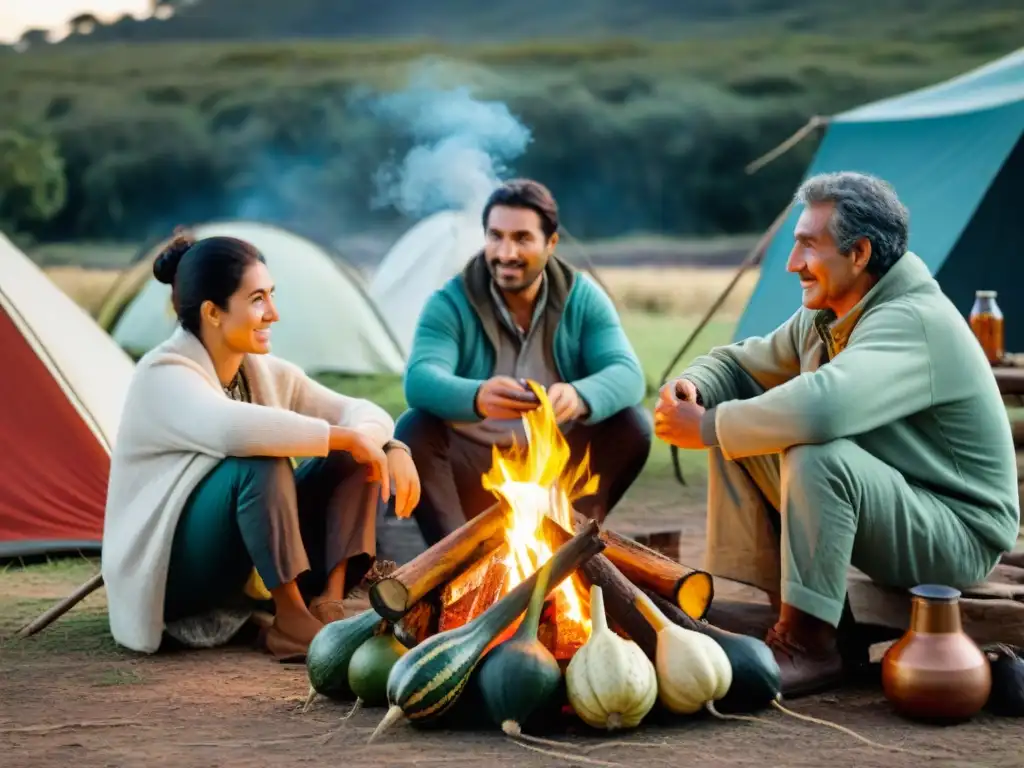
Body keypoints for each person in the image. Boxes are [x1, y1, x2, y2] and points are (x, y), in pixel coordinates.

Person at [655, 171, 1019, 696]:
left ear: (860, 253)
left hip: (959, 533)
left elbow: (825, 409)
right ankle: (786, 613)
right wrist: (692, 388)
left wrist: (708, 426)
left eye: (807, 245)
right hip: (904, 502)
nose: (791, 263)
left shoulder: (912, 320)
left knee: (811, 449)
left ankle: (809, 646)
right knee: (744, 417)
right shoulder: (832, 315)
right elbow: (738, 365)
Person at [101, 233, 421, 660]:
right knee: (261, 462)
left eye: (271, 295)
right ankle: (290, 621)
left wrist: (391, 444)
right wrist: (347, 436)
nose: (273, 313)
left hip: (241, 559)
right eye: (257, 300)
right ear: (213, 312)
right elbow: (232, 430)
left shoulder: (264, 371)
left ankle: (329, 598)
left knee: (349, 456)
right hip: (175, 576)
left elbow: (359, 409)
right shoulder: (162, 375)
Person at [395, 178, 651, 546]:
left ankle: (565, 543)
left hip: (555, 468)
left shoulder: (582, 298)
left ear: (551, 243)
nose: (505, 252)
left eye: (522, 238)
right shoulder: (450, 301)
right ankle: (455, 562)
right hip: (474, 471)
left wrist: (579, 396)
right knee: (414, 428)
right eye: (495, 236)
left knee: (630, 424)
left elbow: (628, 374)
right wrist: (477, 396)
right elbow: (419, 379)